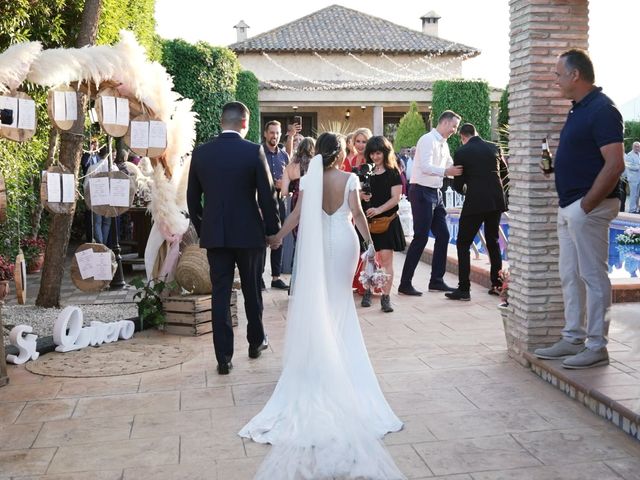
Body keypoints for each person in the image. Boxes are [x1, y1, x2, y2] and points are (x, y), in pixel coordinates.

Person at [239, 132, 404, 480]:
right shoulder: (350, 179)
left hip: (319, 249)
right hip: (345, 244)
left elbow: (297, 215)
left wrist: (278, 237)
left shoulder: (311, 180)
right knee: (341, 301)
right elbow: (358, 216)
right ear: (341, 153)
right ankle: (340, 360)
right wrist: (371, 246)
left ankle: (321, 360)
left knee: (321, 303)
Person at [533, 49, 625, 369]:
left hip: (588, 208)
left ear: (575, 75)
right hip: (571, 206)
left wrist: (585, 206)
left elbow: (615, 165)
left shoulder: (603, 110)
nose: (555, 80)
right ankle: (573, 337)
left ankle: (597, 345)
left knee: (592, 276)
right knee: (570, 275)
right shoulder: (578, 110)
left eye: (558, 74)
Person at [187, 101, 280, 375]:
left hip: (216, 235)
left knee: (220, 294)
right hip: (249, 234)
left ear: (221, 121)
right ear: (244, 123)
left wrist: (204, 228)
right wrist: (272, 231)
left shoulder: (201, 153)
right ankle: (255, 342)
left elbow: (192, 199)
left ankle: (223, 358)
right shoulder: (253, 152)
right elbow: (268, 195)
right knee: (252, 290)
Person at [398, 110, 463, 296]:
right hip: (421, 191)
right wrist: (447, 171)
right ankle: (405, 283)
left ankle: (436, 280)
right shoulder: (427, 139)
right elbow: (426, 167)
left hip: (436, 192)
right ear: (444, 123)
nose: (454, 130)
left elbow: (450, 167)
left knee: (443, 235)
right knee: (421, 237)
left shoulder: (444, 144)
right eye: (454, 126)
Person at [445, 123, 509, 301]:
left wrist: (467, 189)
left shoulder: (462, 152)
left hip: (475, 202)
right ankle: (497, 284)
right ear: (476, 133)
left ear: (463, 137)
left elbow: (458, 185)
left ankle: (464, 289)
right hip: (496, 201)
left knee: (463, 243)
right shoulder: (494, 147)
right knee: (493, 241)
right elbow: (505, 174)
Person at [360, 136, 406, 312]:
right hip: (368, 222)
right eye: (372, 153)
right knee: (369, 260)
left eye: (378, 153)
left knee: (386, 260)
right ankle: (367, 291)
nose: (375, 157)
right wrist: (361, 196)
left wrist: (378, 209)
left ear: (385, 152)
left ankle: (385, 297)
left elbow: (396, 198)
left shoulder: (393, 172)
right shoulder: (365, 172)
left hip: (387, 221)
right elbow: (357, 195)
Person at [261, 120, 290, 290]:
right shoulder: (258, 152)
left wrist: (284, 185)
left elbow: (290, 179)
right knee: (261, 240)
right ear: (265, 134)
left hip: (279, 202)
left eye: (278, 133)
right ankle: (259, 277)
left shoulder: (284, 156)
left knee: (279, 237)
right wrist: (273, 183)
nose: (275, 136)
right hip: (261, 202)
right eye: (272, 132)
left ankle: (276, 277)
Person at [624, 141, 640, 213]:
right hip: (633, 178)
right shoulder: (629, 155)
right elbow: (629, 166)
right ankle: (632, 209)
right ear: (632, 147)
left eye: (638, 146)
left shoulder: (639, 154)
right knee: (633, 195)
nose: (637, 148)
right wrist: (638, 167)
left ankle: (637, 208)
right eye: (636, 146)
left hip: (639, 178)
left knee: (637, 195)